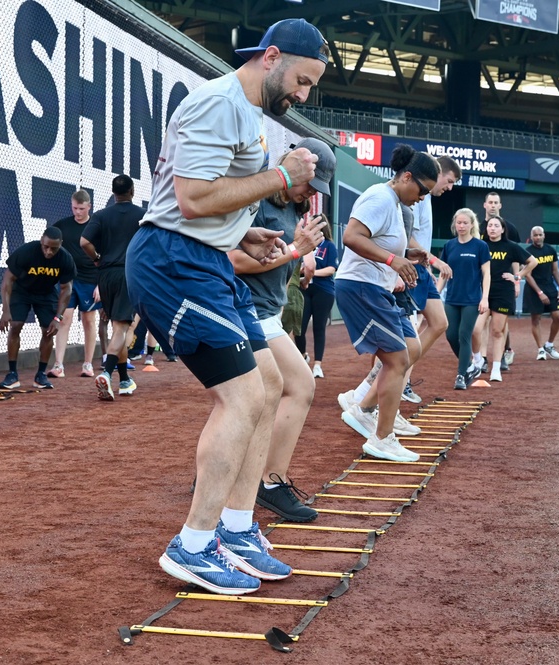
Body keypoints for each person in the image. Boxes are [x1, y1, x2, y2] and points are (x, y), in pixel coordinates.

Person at [125, 18, 329, 595]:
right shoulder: (219, 103)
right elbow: (189, 201)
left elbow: (208, 200)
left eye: (311, 86)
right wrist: (278, 177)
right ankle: (192, 544)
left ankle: (237, 529)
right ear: (272, 57)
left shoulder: (247, 112)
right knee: (240, 396)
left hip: (204, 258)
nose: (303, 95)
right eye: (303, 80)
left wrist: (244, 237)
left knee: (267, 384)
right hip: (173, 260)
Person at [230, 138, 333, 523]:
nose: (310, 191)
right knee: (298, 387)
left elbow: (279, 259)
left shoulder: (292, 204)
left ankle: (228, 468)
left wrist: (300, 256)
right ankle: (270, 484)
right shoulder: (259, 195)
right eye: (309, 182)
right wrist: (296, 249)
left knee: (253, 398)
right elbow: (236, 260)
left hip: (266, 311)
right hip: (248, 311)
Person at [334, 144, 438, 463]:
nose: (423, 198)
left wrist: (409, 257)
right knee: (397, 360)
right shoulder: (380, 196)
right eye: (422, 190)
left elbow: (380, 244)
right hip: (360, 287)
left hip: (376, 289)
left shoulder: (395, 203)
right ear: (407, 177)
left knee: (411, 347)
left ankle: (367, 410)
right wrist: (394, 260)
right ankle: (381, 437)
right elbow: (351, 237)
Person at [80, 175, 144, 399]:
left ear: (113, 193)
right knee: (121, 329)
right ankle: (107, 373)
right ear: (132, 191)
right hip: (129, 273)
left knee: (118, 327)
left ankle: (125, 380)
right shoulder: (142, 215)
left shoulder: (101, 215)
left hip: (105, 275)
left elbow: (84, 242)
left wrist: (97, 258)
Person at [403, 156, 461, 399]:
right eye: (448, 181)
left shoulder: (425, 200)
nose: (449, 188)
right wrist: (435, 261)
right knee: (402, 333)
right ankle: (385, 386)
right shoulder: (417, 197)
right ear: (438, 174)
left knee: (439, 323)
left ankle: (399, 377)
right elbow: (406, 237)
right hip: (409, 270)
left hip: (421, 271)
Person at [0, 227, 75, 390]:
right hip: (22, 291)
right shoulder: (27, 252)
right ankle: (12, 374)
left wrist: (58, 318)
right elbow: (7, 280)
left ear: (61, 244)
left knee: (49, 330)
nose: (48, 251)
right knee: (15, 325)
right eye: (46, 246)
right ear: (41, 241)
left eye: (54, 248)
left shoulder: (65, 259)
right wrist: (5, 310)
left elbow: (66, 289)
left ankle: (41, 375)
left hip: (46, 294)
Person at [470, 215, 536, 382]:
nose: (492, 228)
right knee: (476, 329)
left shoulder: (511, 246)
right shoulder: (480, 245)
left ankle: (496, 368)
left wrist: (518, 276)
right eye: (490, 225)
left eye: (496, 225)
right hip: (483, 292)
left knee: (497, 331)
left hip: (503, 292)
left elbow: (533, 261)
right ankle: (477, 361)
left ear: (502, 229)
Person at [50, 190, 107, 379]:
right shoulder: (62, 226)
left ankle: (88, 364)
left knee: (89, 321)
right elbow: (48, 245)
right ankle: (58, 365)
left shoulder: (97, 226)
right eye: (75, 208)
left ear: (89, 206)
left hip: (91, 280)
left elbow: (105, 256)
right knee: (64, 319)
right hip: (67, 280)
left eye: (81, 208)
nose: (78, 212)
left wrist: (100, 284)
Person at [436, 209, 490, 390]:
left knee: (464, 335)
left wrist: (485, 298)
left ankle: (461, 375)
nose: (461, 226)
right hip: (452, 298)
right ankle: (469, 366)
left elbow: (486, 273)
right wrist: (436, 294)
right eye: (458, 223)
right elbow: (443, 274)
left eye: (465, 223)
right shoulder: (449, 246)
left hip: (472, 300)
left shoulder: (480, 246)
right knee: (451, 335)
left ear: (472, 224)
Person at [480, 191, 521, 366]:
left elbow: (516, 256)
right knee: (482, 320)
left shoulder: (509, 228)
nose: (493, 205)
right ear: (485, 205)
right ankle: (481, 358)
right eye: (490, 202)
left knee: (500, 321)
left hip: (502, 283)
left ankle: (505, 351)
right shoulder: (478, 227)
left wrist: (516, 280)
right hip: (482, 282)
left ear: (500, 205)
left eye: (496, 202)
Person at [294, 220, 337, 379]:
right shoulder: (302, 246)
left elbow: (331, 269)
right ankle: (303, 355)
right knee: (299, 328)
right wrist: (302, 273)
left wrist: (311, 273)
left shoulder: (329, 246)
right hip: (304, 289)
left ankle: (318, 364)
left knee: (319, 328)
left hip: (323, 291)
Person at [523, 226, 559, 360]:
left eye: (540, 235)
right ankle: (540, 349)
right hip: (534, 289)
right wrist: (540, 292)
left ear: (544, 235)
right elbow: (527, 275)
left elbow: (555, 271)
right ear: (531, 236)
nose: (538, 237)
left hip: (550, 287)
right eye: (535, 235)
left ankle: (549, 345)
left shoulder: (550, 250)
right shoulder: (528, 252)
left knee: (558, 316)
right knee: (536, 319)